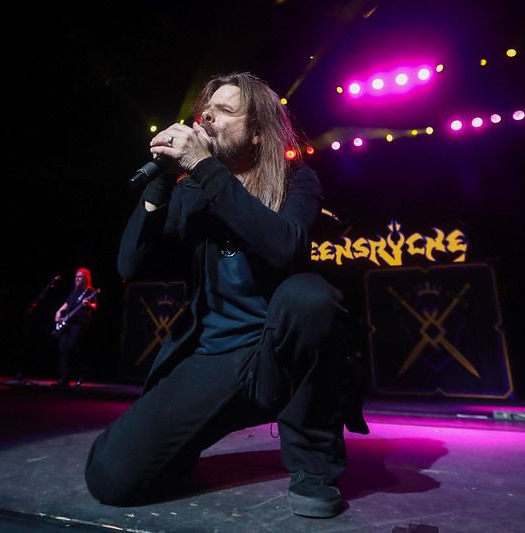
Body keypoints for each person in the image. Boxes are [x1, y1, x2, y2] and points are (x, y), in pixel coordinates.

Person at [84, 72, 367, 518]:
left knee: (310, 297)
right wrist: (162, 181)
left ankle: (313, 464)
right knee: (109, 477)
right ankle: (186, 441)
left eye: (225, 111)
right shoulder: (192, 191)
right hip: (217, 356)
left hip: (278, 356)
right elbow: (130, 266)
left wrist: (204, 167)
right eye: (207, 110)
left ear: (257, 132)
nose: (207, 118)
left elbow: (283, 246)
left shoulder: (297, 179)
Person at [53, 268, 97, 387]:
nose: (77, 279)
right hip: (68, 322)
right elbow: (66, 304)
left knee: (72, 346)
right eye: (76, 277)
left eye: (80, 277)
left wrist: (88, 304)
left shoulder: (89, 292)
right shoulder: (73, 293)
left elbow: (94, 306)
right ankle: (64, 379)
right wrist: (58, 311)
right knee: (63, 348)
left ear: (85, 279)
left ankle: (82, 371)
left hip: (79, 323)